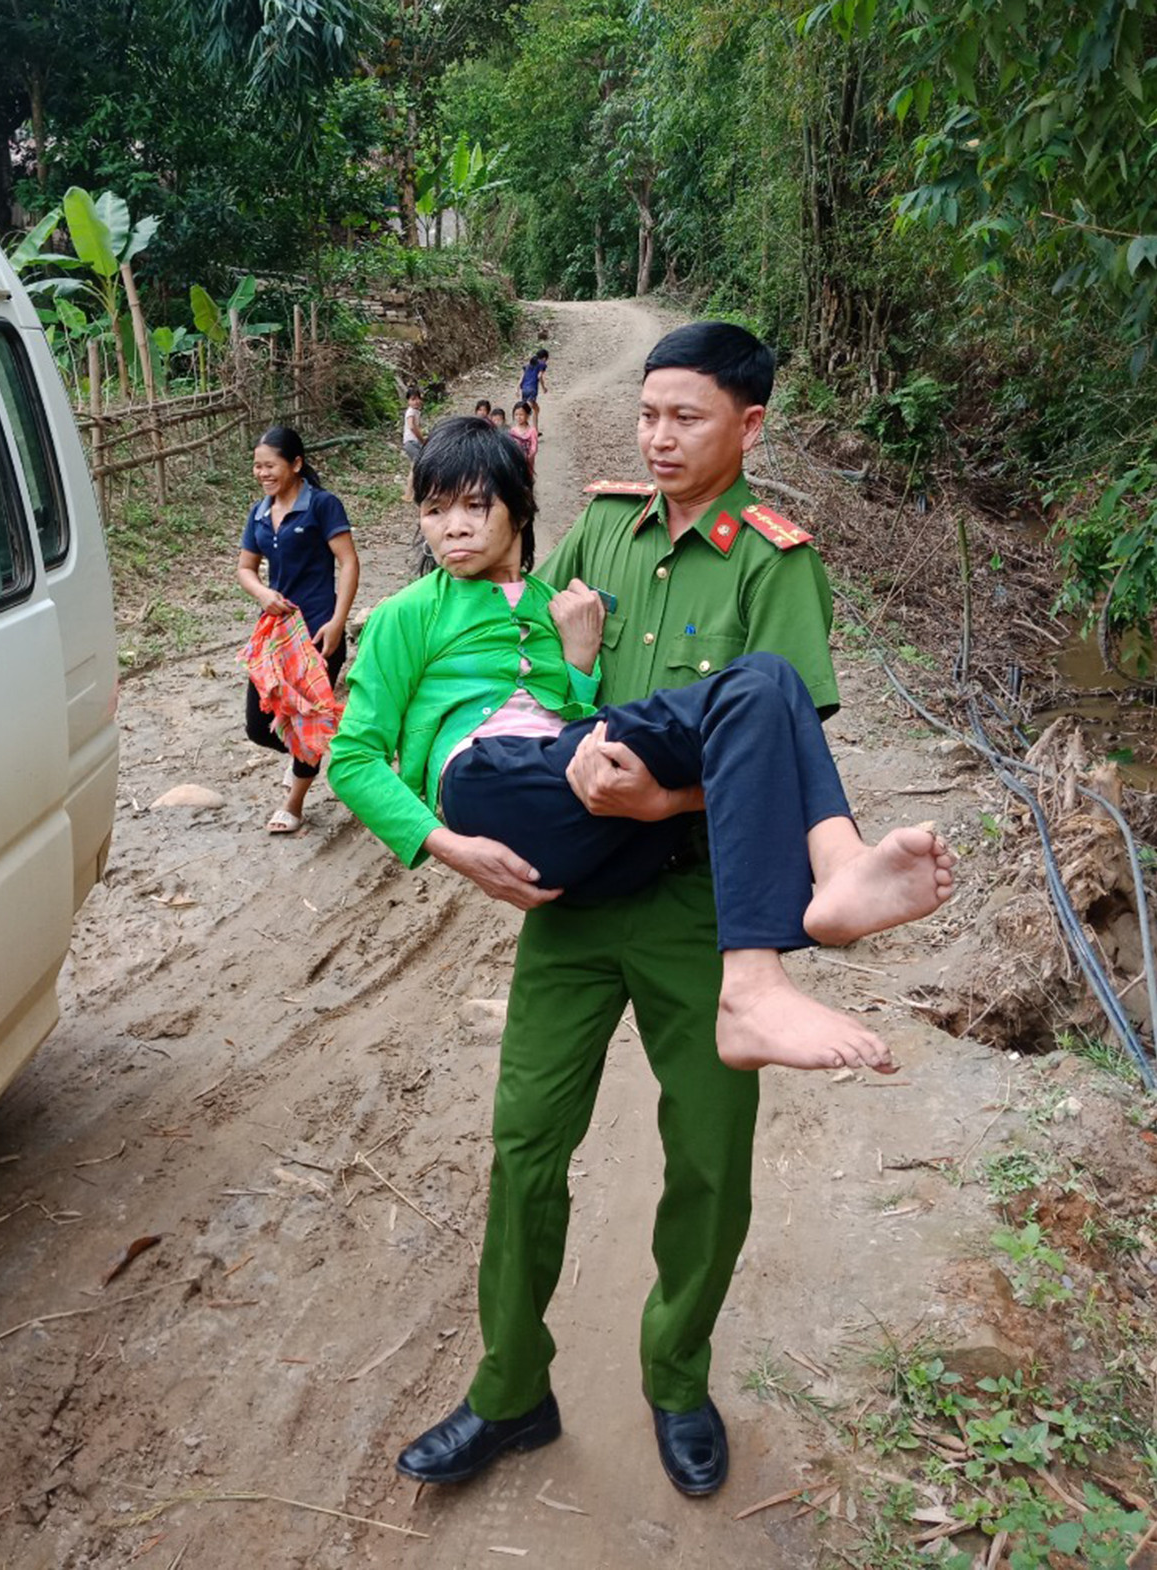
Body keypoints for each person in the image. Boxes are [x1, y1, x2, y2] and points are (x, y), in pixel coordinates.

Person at [373, 322, 864, 1499]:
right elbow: (532, 690)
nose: (656, 437)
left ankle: (676, 1375)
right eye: (647, 415)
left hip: (702, 897)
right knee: (524, 1144)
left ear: (750, 426)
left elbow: (777, 751)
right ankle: (510, 1391)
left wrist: (661, 802)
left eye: (684, 417)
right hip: (580, 906)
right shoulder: (597, 525)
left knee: (709, 1159)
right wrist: (472, 820)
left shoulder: (775, 563)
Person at [329, 415, 951, 1076]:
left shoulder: (559, 604)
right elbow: (352, 757)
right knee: (738, 694)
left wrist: (579, 663)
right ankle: (822, 880)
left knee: (768, 681)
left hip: (581, 808)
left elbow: (575, 722)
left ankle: (771, 960)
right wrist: (451, 849)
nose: (453, 526)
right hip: (486, 782)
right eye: (434, 509)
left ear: (520, 507)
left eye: (476, 506)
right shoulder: (408, 613)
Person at [238, 425, 359, 833]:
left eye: (269, 465)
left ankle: (294, 804)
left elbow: (348, 562)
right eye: (257, 466)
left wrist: (338, 622)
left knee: (307, 725)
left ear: (296, 464)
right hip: (275, 635)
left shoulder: (323, 506)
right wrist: (262, 595)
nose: (262, 473)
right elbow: (245, 569)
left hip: (318, 633)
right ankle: (308, 753)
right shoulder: (258, 512)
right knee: (258, 726)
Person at [518, 348, 549, 427]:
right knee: (525, 411)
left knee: (536, 409)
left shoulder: (527, 365)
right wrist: (544, 388)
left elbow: (522, 378)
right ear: (544, 358)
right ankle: (523, 429)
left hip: (524, 389)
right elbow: (539, 376)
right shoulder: (542, 364)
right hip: (532, 389)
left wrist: (517, 389)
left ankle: (535, 430)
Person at [507, 400, 538, 472]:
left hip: (528, 463)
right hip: (515, 462)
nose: (518, 417)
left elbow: (534, 447)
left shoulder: (532, 431)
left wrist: (528, 456)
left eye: (521, 414)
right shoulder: (512, 431)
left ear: (527, 415)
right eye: (516, 414)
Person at [402, 388, 425, 464]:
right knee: (419, 463)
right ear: (408, 401)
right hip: (411, 442)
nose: (416, 401)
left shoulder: (416, 411)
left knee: (417, 463)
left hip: (414, 442)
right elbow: (412, 426)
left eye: (418, 399)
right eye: (413, 399)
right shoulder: (410, 411)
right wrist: (421, 439)